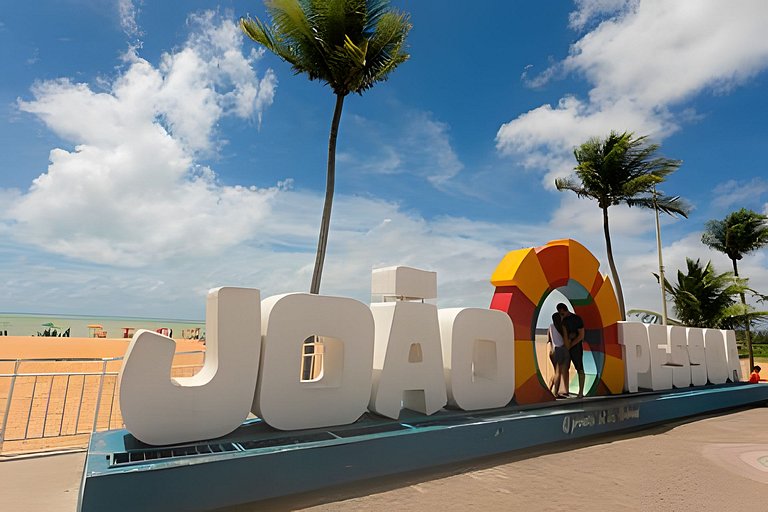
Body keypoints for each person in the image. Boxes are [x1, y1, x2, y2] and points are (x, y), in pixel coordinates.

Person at [558, 302, 585, 398]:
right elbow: (565, 336)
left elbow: (581, 335)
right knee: (565, 368)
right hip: (568, 346)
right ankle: (566, 390)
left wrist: (571, 345)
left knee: (579, 368)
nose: (562, 315)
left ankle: (581, 392)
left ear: (564, 310)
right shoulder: (563, 322)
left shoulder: (576, 319)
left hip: (576, 347)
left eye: (562, 313)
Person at [547, 312, 569, 397]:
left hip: (552, 351)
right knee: (558, 372)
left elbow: (548, 339)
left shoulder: (551, 326)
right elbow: (565, 340)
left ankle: (549, 390)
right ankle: (555, 393)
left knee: (555, 372)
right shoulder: (562, 327)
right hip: (561, 349)